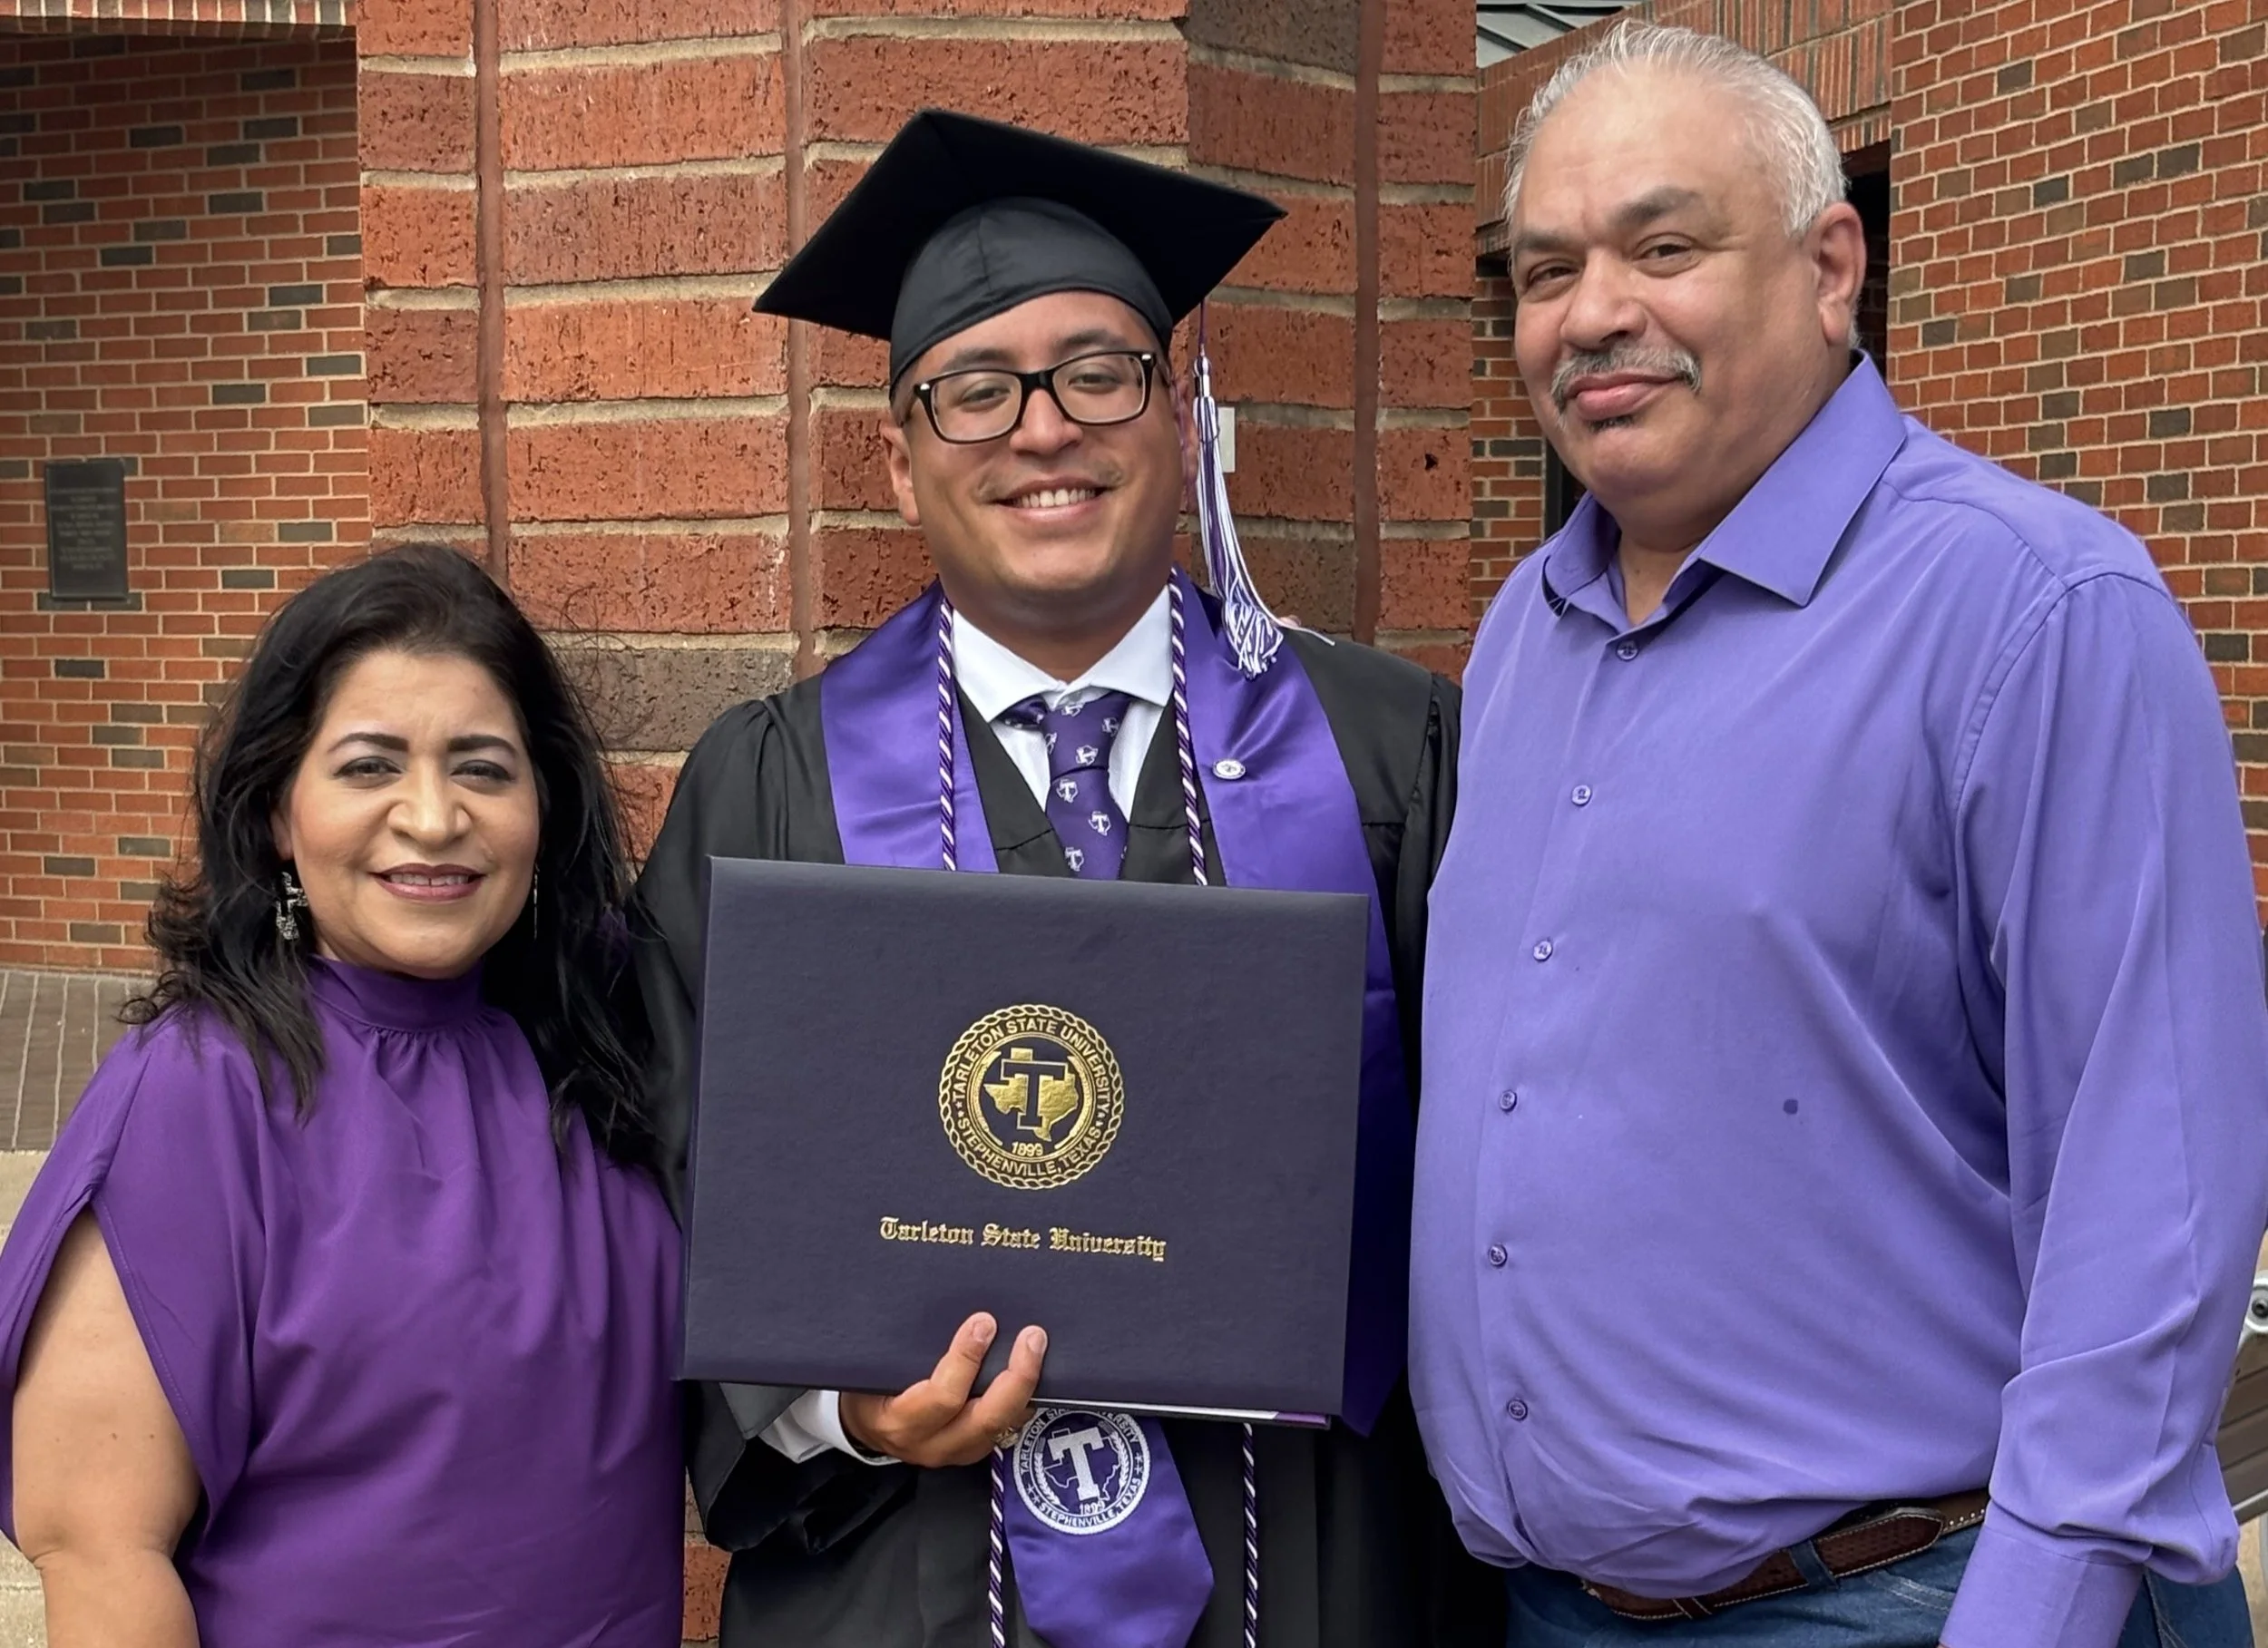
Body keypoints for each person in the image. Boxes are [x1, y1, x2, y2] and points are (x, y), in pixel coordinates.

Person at [1409, 21, 2268, 1648]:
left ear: (1829, 268)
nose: (1594, 314)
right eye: (1542, 270)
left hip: (1915, 1597)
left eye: (1664, 246)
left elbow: (2150, 1196)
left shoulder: (2035, 611)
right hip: (1556, 1610)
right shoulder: (1528, 622)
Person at [632, 111, 1501, 1648]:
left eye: (1100, 372)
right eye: (974, 391)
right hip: (906, 1567)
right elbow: (675, 1184)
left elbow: (1507, 1159)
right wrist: (842, 1404)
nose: (1043, 429)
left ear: (1181, 415)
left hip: (1314, 1557)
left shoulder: (1389, 748)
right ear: (900, 463)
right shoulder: (766, 784)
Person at [0, 544, 685, 1646]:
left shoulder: (611, 1037)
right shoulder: (202, 1090)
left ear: (544, 807)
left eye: (483, 766)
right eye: (369, 766)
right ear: (279, 810)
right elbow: (98, 1543)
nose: (431, 816)